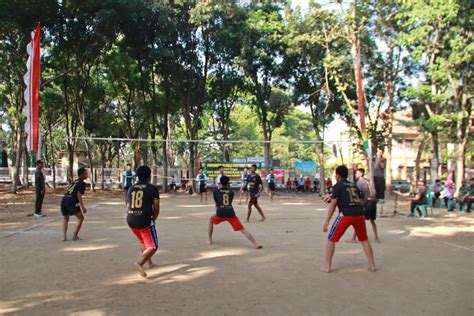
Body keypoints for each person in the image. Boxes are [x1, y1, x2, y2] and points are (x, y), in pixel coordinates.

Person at [320, 165, 376, 273]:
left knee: (331, 239)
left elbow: (333, 204)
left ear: (338, 176)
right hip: (359, 214)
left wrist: (327, 220)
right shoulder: (353, 185)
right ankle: (372, 265)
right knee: (364, 239)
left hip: (346, 214)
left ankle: (327, 267)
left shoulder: (338, 186)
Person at [208, 175, 262, 249]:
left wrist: (217, 212)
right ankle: (255, 244)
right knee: (243, 230)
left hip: (220, 212)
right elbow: (228, 200)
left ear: (220, 182)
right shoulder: (231, 192)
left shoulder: (215, 192)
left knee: (211, 221)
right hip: (230, 212)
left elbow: (217, 204)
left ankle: (210, 240)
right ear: (228, 183)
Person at [126, 165, 160, 278]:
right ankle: (140, 262)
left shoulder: (131, 188)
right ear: (150, 176)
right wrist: (153, 220)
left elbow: (127, 205)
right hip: (144, 220)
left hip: (131, 219)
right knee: (153, 246)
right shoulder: (152, 188)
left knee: (142, 241)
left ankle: (149, 263)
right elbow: (156, 208)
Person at [347, 168, 380, 243]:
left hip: (367, 203)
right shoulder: (367, 182)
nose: (355, 174)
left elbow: (362, 194)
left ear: (361, 174)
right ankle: (376, 238)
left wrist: (361, 204)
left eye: (357, 173)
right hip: (373, 202)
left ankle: (353, 238)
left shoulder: (360, 182)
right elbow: (374, 192)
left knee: (359, 220)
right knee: (372, 221)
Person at [60, 168, 89, 241]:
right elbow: (79, 195)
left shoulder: (74, 181)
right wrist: (82, 207)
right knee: (81, 218)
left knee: (65, 218)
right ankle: (75, 235)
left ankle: (64, 236)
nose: (87, 175)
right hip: (71, 202)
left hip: (64, 201)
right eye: (85, 173)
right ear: (81, 175)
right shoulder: (82, 183)